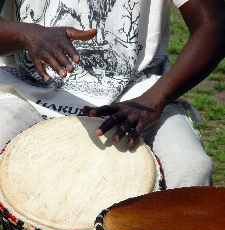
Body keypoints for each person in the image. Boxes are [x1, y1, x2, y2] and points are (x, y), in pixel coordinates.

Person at [0, 0, 225, 189]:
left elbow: (214, 23)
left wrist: (155, 97)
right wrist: (25, 34)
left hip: (141, 99)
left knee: (192, 168)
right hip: (26, 94)